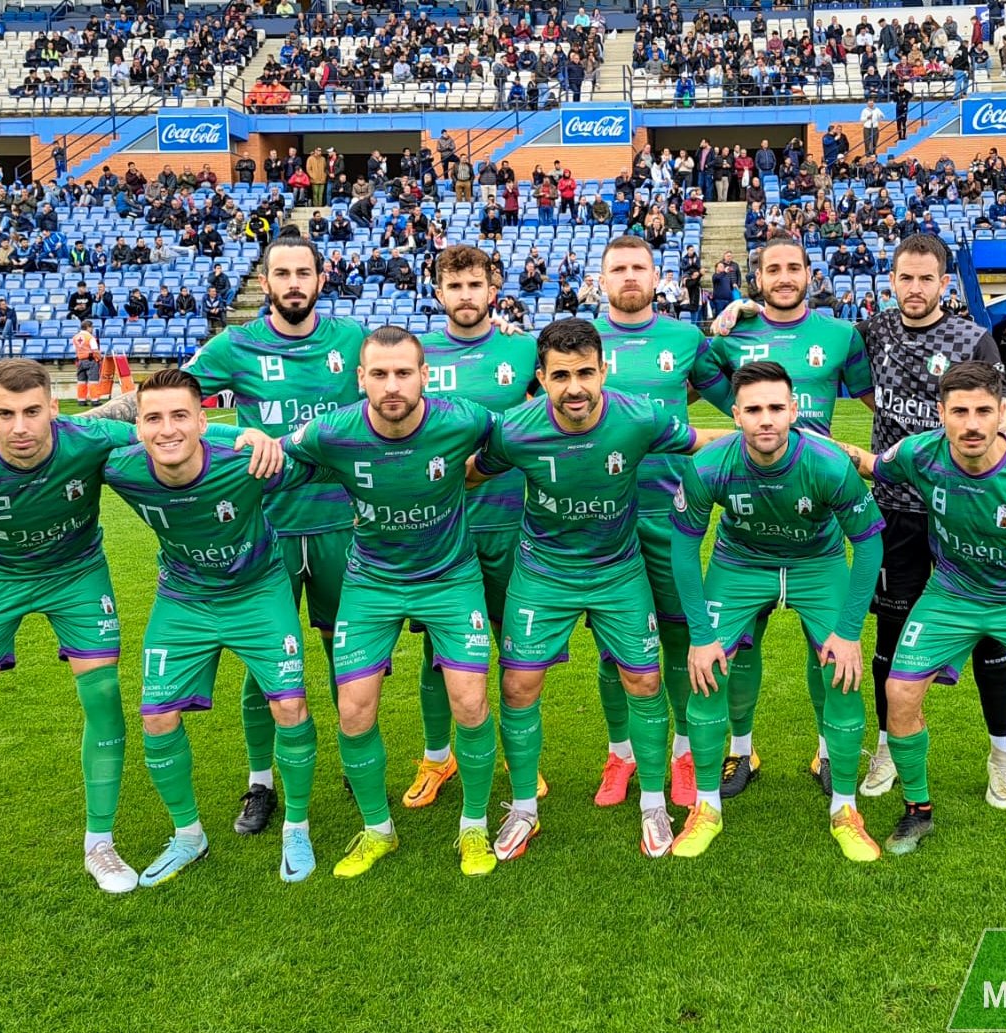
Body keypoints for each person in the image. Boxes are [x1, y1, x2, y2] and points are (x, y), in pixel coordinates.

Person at [0, 359, 273, 924]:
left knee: (101, 696)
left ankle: (99, 843)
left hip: (77, 574)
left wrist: (240, 433)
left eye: (32, 411)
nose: (20, 426)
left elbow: (164, 427)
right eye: (5, 414)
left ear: (54, 408)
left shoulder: (90, 436)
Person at [92, 236, 365, 836]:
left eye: (304, 272)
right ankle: (260, 781)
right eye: (281, 274)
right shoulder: (233, 345)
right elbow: (168, 404)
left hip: (339, 523)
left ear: (322, 277)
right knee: (263, 665)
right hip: (262, 524)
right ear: (265, 282)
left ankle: (355, 764)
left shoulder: (353, 341)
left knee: (343, 652)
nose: (293, 283)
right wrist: (72, 426)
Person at [837, 361, 1006, 878]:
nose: (970, 423)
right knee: (899, 693)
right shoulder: (921, 453)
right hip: (952, 592)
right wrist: (819, 445)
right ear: (941, 413)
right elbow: (874, 464)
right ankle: (918, 812)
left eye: (983, 410)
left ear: (1000, 412)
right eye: (959, 411)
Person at [470, 319, 727, 862]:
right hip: (543, 573)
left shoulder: (639, 417)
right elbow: (470, 473)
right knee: (518, 687)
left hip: (618, 569)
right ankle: (522, 809)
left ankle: (653, 803)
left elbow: (702, 440)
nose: (576, 387)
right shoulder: (515, 429)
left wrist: (774, 438)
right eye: (561, 375)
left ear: (603, 370)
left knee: (644, 676)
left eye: (586, 372)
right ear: (540, 378)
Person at [282, 326, 501, 879]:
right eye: (378, 374)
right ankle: (378, 831)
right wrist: (251, 443)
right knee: (354, 710)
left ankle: (473, 827)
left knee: (470, 702)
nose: (392, 384)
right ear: (361, 379)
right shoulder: (333, 431)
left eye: (404, 372)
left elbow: (507, 442)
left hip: (451, 577)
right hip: (372, 582)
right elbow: (278, 449)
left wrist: (470, 474)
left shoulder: (463, 419)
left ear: (425, 375)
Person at [103, 369, 319, 885]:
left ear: (203, 419)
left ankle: (297, 825)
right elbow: (63, 434)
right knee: (156, 716)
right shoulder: (121, 468)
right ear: (138, 427)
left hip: (258, 591)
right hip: (183, 599)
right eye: (153, 418)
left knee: (289, 704)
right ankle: (187, 835)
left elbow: (322, 463)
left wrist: (249, 437)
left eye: (181, 416)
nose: (167, 429)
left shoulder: (248, 461)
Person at [670, 361, 885, 861]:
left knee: (842, 671)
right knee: (707, 672)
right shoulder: (708, 465)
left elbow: (870, 542)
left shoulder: (827, 463)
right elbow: (683, 547)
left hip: (817, 562)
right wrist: (701, 636)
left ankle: (845, 808)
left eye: (775, 408)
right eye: (753, 410)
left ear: (793, 410)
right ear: (737, 414)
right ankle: (707, 806)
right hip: (740, 565)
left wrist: (850, 631)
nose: (765, 419)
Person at [851, 235, 1006, 806]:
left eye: (928, 279)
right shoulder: (874, 331)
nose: (917, 289)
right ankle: (886, 748)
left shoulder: (971, 337)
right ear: (892, 280)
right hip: (895, 512)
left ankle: (1003, 755)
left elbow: (1001, 417)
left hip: (962, 513)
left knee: (985, 633)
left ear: (944, 283)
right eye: (907, 278)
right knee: (892, 632)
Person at [706, 234, 874, 798]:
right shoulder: (736, 337)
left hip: (817, 516)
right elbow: (695, 379)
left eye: (793, 267)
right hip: (747, 519)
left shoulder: (841, 336)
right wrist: (717, 327)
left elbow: (884, 403)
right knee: (738, 646)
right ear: (758, 277)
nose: (783, 276)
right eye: (772, 268)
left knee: (822, 647)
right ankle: (740, 752)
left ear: (809, 273)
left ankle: (827, 753)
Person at [588, 236, 734, 810]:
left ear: (657, 278)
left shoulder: (685, 339)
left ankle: (681, 752)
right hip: (600, 515)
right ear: (601, 280)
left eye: (638, 268)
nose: (628, 277)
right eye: (617, 268)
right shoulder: (580, 342)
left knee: (678, 636)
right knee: (612, 647)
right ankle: (620, 753)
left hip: (670, 513)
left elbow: (735, 395)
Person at [399, 246, 542, 808]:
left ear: (494, 288)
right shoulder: (418, 355)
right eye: (453, 285)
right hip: (440, 528)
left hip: (511, 526)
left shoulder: (524, 348)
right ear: (438, 292)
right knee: (439, 650)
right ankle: (438, 757)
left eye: (474, 285)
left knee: (515, 650)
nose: (464, 295)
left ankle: (512, 753)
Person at [71, 319, 101, 407]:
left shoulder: (75, 337)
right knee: (93, 381)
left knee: (81, 381)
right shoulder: (90, 337)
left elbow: (75, 350)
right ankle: (94, 400)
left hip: (80, 361)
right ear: (88, 327)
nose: (92, 329)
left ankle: (81, 400)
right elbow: (95, 350)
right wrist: (99, 359)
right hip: (91, 360)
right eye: (92, 327)